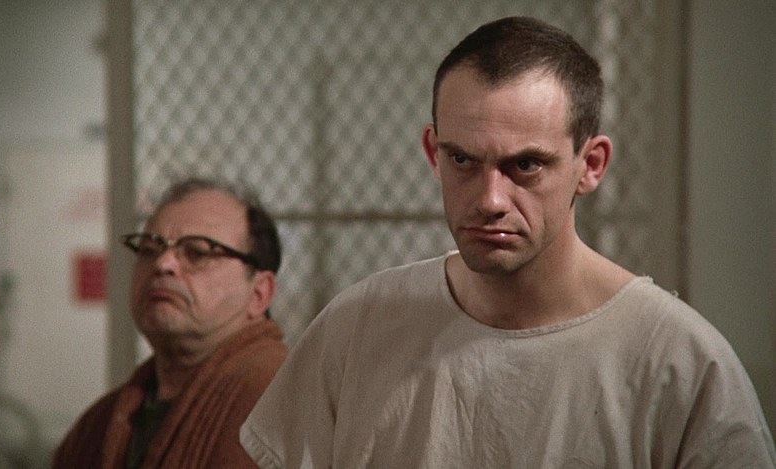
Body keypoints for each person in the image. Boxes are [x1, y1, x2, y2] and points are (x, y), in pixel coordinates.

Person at [240, 16, 776, 467]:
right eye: (462, 159)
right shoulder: (358, 328)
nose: (490, 199)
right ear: (432, 152)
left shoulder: (678, 363)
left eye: (526, 165)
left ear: (590, 165)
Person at [53, 177, 288, 468]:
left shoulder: (282, 402)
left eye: (198, 252)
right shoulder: (99, 424)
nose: (162, 264)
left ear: (259, 293)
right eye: (149, 249)